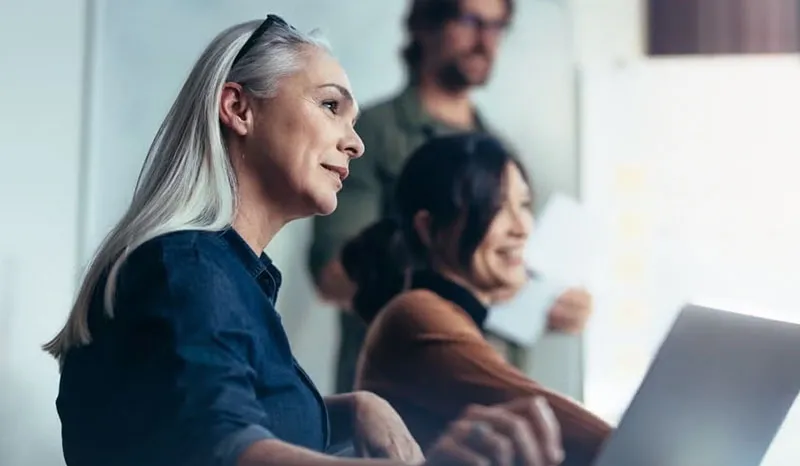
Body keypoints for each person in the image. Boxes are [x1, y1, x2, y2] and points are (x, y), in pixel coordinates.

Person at [41, 15, 565, 466]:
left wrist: (350, 409)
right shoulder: (187, 271)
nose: (354, 142)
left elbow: (229, 416)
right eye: (330, 107)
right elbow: (225, 451)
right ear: (239, 109)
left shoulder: (227, 280)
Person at [308, 0, 592, 395]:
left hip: (495, 394)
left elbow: (513, 272)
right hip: (399, 399)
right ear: (425, 25)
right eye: (470, 20)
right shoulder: (368, 133)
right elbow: (334, 276)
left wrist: (544, 301)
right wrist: (477, 279)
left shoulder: (500, 149)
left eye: (498, 26)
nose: (485, 40)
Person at [342, 133, 612, 463]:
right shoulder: (415, 313)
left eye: (524, 204)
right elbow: (567, 428)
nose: (522, 227)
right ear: (429, 228)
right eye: (496, 207)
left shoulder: (444, 315)